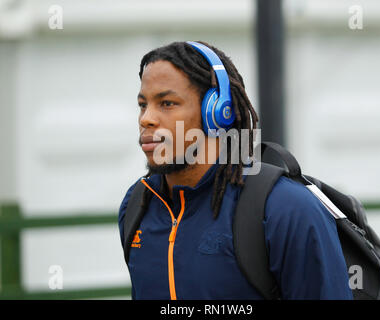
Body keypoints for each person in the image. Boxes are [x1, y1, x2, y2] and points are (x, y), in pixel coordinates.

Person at [118, 41, 353, 300]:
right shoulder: (137, 204)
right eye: (143, 104)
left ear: (217, 112)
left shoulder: (287, 209)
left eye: (167, 103)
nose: (146, 119)